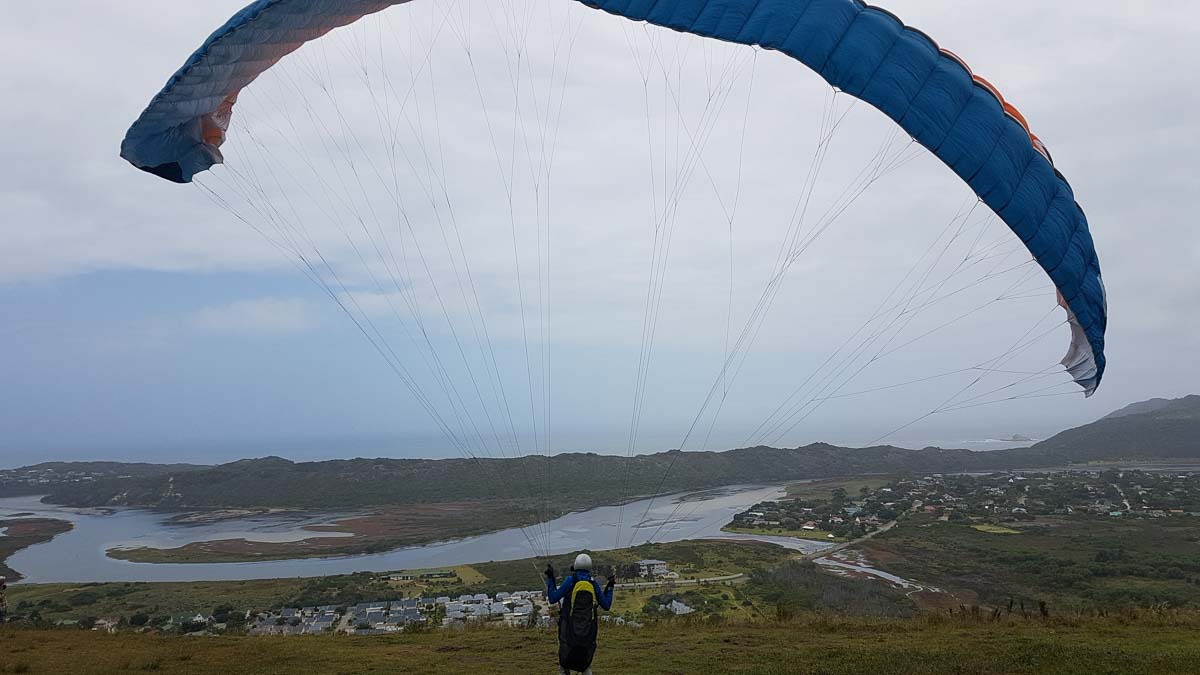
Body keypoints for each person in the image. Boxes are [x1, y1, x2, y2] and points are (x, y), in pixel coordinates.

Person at [544, 553, 615, 675]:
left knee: (564, 660)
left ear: (576, 565)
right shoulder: (593, 583)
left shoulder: (570, 580)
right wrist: (610, 586)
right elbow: (606, 605)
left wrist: (551, 578)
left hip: (568, 627)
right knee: (586, 663)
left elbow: (553, 598)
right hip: (588, 629)